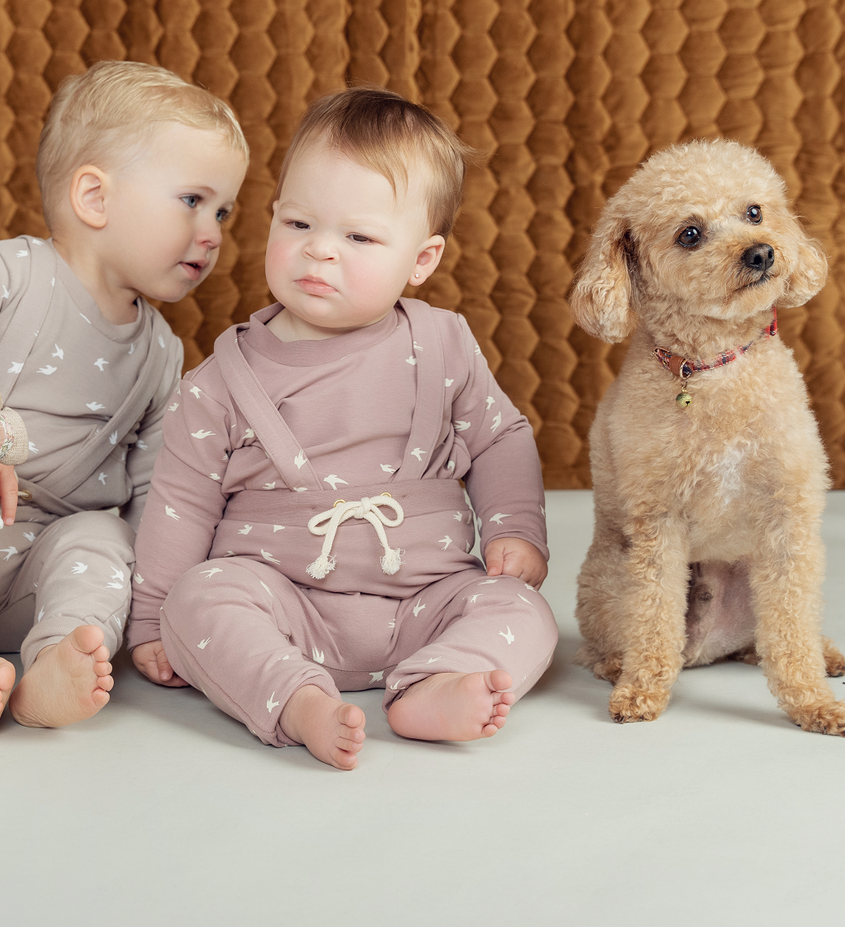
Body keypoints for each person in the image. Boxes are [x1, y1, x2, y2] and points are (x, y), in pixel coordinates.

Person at [128, 87, 555, 769]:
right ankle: (297, 699)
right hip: (286, 605)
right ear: (271, 219)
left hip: (427, 599)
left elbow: (501, 436)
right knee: (198, 598)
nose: (319, 251)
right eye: (298, 224)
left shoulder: (443, 344)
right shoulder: (220, 381)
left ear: (422, 260)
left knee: (523, 611)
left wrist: (515, 528)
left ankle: (435, 682)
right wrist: (154, 618)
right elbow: (181, 499)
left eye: (357, 237)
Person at [0, 61, 249, 735]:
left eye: (224, 210)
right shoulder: (8, 274)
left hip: (33, 571)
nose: (214, 232)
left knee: (104, 537)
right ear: (94, 196)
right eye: (193, 200)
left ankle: (55, 656)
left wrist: (154, 615)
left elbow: (156, 493)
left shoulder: (161, 355)